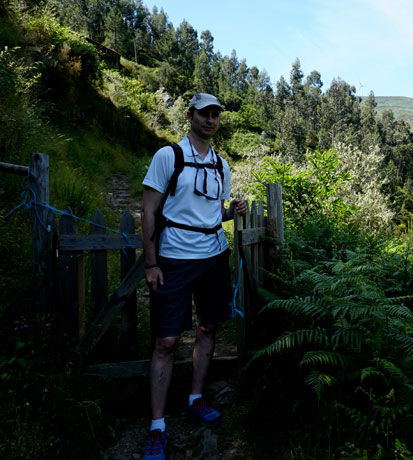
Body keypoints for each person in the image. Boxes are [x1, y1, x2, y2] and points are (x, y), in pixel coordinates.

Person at [140, 93, 247, 460]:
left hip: (214, 256)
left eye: (216, 115)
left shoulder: (221, 165)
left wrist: (231, 211)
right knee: (166, 341)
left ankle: (195, 398)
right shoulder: (167, 157)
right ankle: (157, 426)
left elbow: (212, 214)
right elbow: (150, 210)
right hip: (173, 259)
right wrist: (151, 264)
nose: (210, 120)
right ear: (191, 115)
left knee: (208, 329)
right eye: (204, 113)